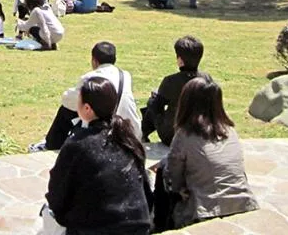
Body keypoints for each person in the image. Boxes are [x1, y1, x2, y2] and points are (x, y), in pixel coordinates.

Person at [44, 76, 152, 235]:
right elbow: (145, 192)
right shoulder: (129, 139)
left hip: (96, 230)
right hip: (138, 228)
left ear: (87, 108)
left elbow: (56, 195)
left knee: (48, 214)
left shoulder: (78, 144)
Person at [161, 77, 258, 230]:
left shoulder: (185, 135)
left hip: (207, 210)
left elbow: (173, 176)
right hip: (243, 203)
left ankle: (159, 225)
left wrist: (179, 189)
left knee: (163, 169)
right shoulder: (230, 131)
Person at [29, 42, 142, 152]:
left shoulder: (91, 78)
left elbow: (69, 101)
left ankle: (52, 144)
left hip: (102, 132)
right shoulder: (125, 75)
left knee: (66, 110)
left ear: (94, 60)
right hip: (130, 131)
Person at [142, 36, 209, 146]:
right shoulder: (207, 79)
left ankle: (143, 134)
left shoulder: (171, 81)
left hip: (172, 136)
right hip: (199, 133)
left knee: (152, 102)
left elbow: (158, 106)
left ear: (180, 60)